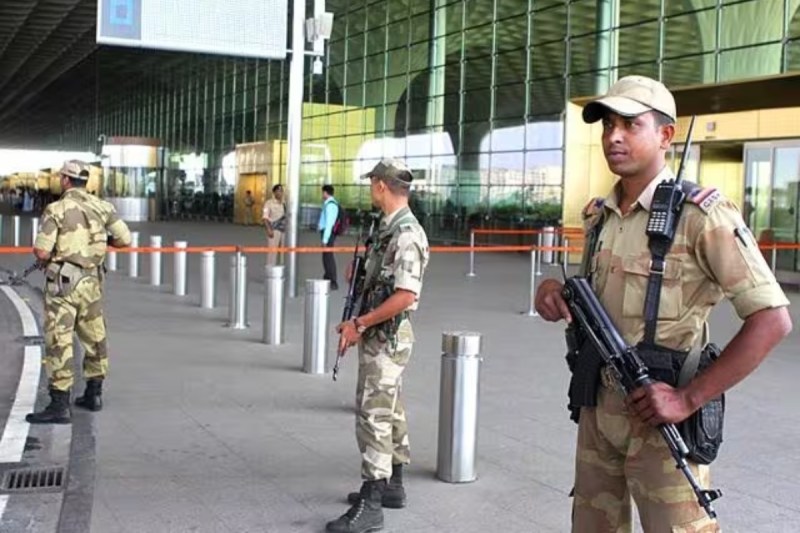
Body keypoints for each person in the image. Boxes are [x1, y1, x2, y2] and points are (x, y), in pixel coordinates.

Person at [535, 75, 792, 532]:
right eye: (607, 125)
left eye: (630, 124)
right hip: (597, 408)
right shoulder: (599, 216)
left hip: (661, 418)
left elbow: (772, 319)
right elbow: (594, 301)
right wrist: (554, 292)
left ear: (665, 135)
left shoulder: (702, 215)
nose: (613, 136)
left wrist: (688, 398)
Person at [326, 158, 430, 533]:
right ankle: (394, 484)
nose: (371, 188)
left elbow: (405, 295)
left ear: (382, 186)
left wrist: (360, 323)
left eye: (372, 182)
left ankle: (372, 502)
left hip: (386, 336)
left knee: (373, 413)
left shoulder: (406, 234)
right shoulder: (386, 229)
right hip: (383, 335)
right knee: (392, 408)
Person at [26, 160, 132, 424]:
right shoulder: (103, 206)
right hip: (92, 282)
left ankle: (59, 405)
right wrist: (98, 242)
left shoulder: (57, 208)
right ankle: (94, 394)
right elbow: (124, 240)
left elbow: (41, 251)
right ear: (85, 182)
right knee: (94, 334)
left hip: (63, 283)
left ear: (65, 180)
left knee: (59, 339)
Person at [318, 184, 340, 290]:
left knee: (328, 257)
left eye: (323, 192)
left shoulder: (331, 205)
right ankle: (328, 277)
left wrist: (325, 239)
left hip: (328, 234)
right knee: (326, 257)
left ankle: (332, 281)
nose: (322, 195)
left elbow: (329, 224)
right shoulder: (329, 204)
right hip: (327, 234)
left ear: (325, 193)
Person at [262, 184, 287, 266]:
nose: (280, 193)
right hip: (274, 230)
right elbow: (265, 217)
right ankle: (270, 270)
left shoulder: (284, 203)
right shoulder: (268, 203)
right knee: (272, 252)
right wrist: (268, 229)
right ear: (274, 192)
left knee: (282, 253)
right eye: (278, 191)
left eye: (281, 191)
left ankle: (281, 270)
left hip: (283, 231)